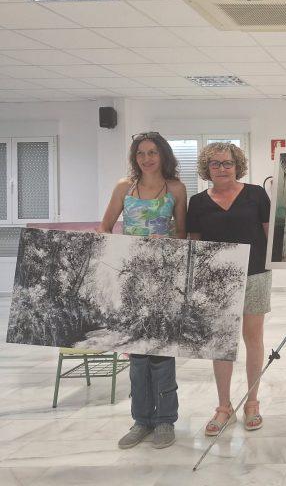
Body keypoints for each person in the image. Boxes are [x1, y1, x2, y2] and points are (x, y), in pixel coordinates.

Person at [99, 131, 187, 450]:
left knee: (162, 352)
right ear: (134, 158)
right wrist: (121, 250)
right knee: (136, 353)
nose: (146, 158)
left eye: (152, 152)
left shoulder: (176, 188)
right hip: (131, 279)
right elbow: (105, 228)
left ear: (163, 155)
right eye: (140, 153)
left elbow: (183, 235)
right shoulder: (124, 187)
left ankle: (165, 420)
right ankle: (141, 420)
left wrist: (168, 241)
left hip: (163, 279)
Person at [186, 142, 272, 436]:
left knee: (253, 339)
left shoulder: (256, 195)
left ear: (237, 166)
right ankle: (224, 407)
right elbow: (195, 244)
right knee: (221, 342)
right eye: (215, 164)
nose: (222, 169)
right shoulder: (197, 202)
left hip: (255, 274)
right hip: (216, 281)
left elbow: (270, 234)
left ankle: (252, 403)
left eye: (227, 163)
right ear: (207, 168)